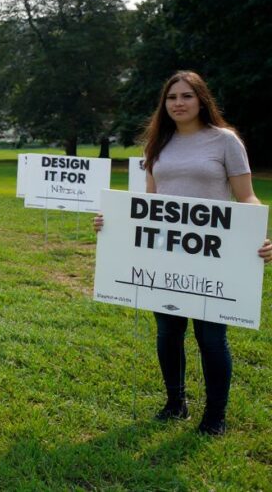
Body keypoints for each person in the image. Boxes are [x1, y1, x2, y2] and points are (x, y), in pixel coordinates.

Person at [94, 71, 272, 435]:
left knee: (210, 336)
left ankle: (215, 417)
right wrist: (114, 222)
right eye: (172, 97)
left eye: (186, 96)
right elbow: (150, 201)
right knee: (168, 331)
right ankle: (176, 404)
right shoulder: (158, 143)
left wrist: (261, 233)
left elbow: (246, 196)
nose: (178, 102)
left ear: (201, 100)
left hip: (213, 254)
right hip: (165, 253)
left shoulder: (225, 141)